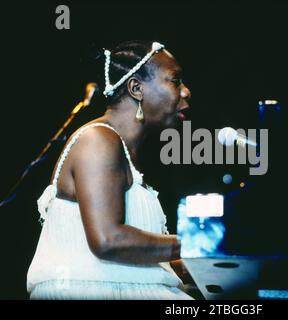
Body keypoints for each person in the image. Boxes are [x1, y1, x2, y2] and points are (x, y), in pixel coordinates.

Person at [27, 40, 194, 300]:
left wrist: (189, 269)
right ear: (136, 88)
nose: (186, 92)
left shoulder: (125, 151)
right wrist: (196, 243)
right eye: (175, 81)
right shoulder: (98, 140)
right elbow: (108, 241)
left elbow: (139, 255)